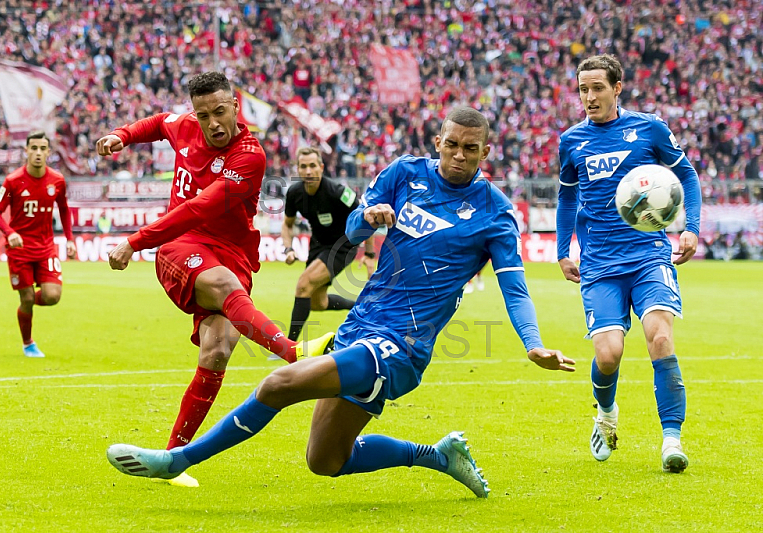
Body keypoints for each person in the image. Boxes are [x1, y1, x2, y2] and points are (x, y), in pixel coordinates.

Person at [106, 106, 575, 498]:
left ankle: (177, 460)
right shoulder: (403, 174)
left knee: (278, 384)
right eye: (452, 144)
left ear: (485, 152)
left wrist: (532, 343)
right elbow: (351, 234)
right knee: (326, 460)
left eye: (470, 148)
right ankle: (438, 455)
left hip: (403, 347)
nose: (459, 155)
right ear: (438, 141)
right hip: (360, 324)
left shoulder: (496, 213)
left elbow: (515, 286)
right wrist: (366, 219)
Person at [95, 72, 334, 488]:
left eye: (220, 111)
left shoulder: (249, 156)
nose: (212, 123)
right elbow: (157, 123)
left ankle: (172, 461)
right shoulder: (184, 125)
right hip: (179, 246)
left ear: (236, 107)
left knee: (217, 351)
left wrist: (134, 240)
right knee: (226, 288)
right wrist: (123, 135)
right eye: (204, 114)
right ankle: (292, 351)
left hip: (232, 254)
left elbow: (202, 207)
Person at [555, 55, 702, 473]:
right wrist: (564, 249)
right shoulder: (571, 140)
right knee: (608, 355)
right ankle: (605, 414)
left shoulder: (648, 128)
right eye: (583, 89)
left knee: (659, 337)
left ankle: (671, 440)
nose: (589, 97)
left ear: (617, 88)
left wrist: (690, 227)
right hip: (600, 263)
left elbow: (687, 176)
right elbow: (567, 196)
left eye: (597, 88)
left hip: (648, 254)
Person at [0, 131, 77, 358]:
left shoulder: (57, 180)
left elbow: (64, 210)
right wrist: (10, 233)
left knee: (52, 296)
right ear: (26, 151)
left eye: (42, 149)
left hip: (46, 247)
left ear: (48, 152)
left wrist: (69, 239)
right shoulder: (12, 181)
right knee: (27, 297)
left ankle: (25, 306)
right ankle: (28, 343)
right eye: (34, 148)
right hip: (19, 250)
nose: (38, 153)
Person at [282, 146, 376, 341]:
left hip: (343, 245)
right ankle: (360, 306)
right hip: (318, 245)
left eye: (312, 166)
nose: (308, 171)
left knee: (303, 285)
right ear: (298, 169)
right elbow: (287, 224)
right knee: (317, 302)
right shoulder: (294, 193)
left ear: (321, 167)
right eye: (303, 166)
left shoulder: (338, 192)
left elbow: (366, 218)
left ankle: (288, 346)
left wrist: (369, 255)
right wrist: (289, 248)